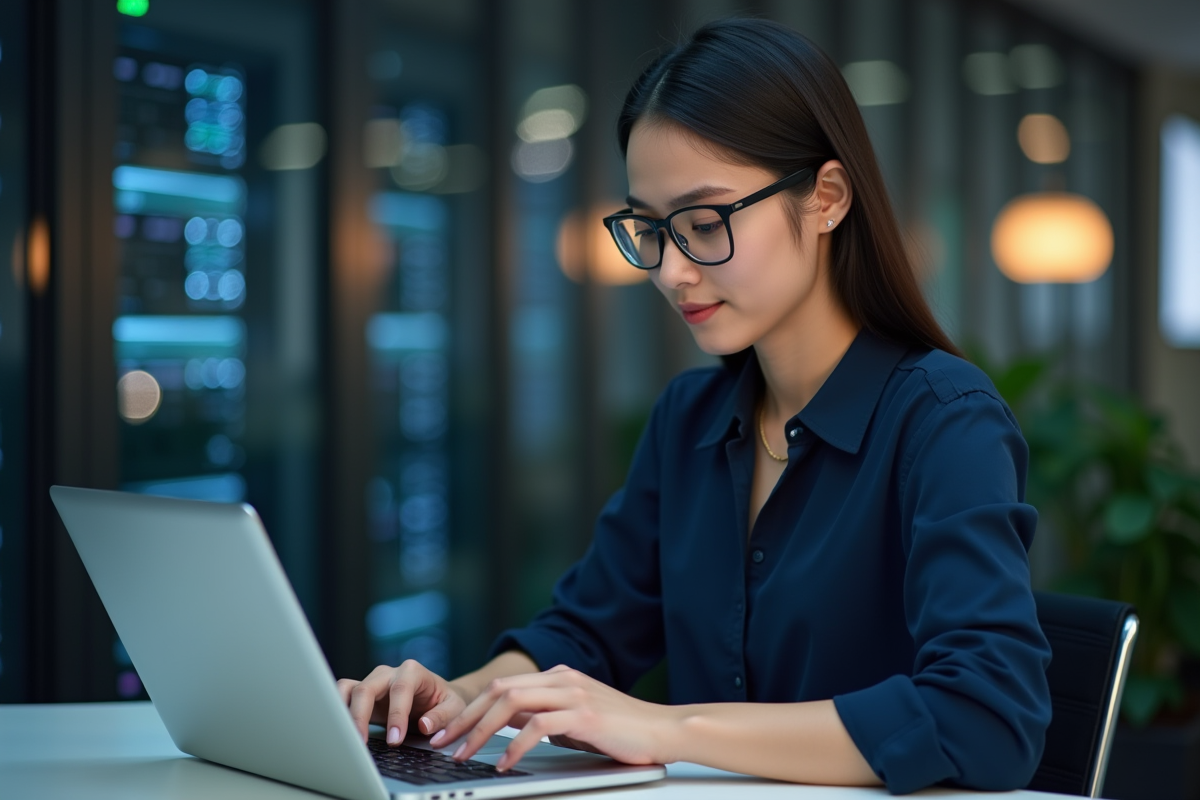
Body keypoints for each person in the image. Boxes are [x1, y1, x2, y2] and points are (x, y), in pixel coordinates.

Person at [338, 18, 1052, 794]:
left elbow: (985, 715)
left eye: (705, 223)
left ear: (826, 199)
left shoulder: (944, 419)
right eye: (649, 229)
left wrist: (664, 727)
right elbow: (586, 633)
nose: (673, 271)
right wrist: (463, 700)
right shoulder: (692, 418)